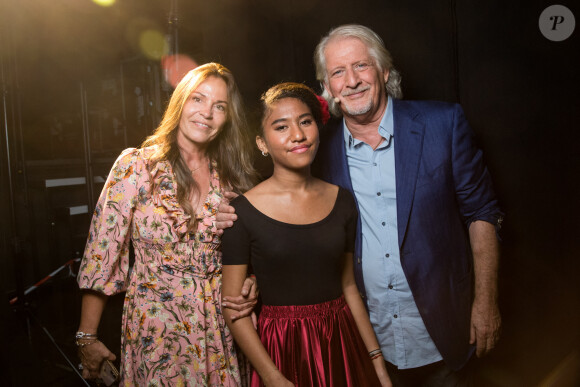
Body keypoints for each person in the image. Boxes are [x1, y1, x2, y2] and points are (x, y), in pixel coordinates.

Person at [220, 25, 504, 386]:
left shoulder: (442, 124)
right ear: (328, 88)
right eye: (338, 72)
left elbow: (481, 212)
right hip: (360, 341)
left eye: (361, 66)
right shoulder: (315, 150)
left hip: (446, 329)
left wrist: (486, 301)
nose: (351, 80)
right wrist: (249, 259)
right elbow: (291, 227)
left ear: (384, 72)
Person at [76, 62, 258, 386]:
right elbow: (101, 257)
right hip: (156, 334)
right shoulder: (136, 166)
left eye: (220, 106)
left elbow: (251, 253)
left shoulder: (233, 178)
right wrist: (87, 337)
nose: (207, 113)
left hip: (222, 331)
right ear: (180, 102)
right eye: (198, 99)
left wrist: (250, 281)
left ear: (228, 117)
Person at [220, 82, 392, 386]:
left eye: (305, 122)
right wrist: (272, 377)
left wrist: (375, 361)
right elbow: (233, 309)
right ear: (262, 143)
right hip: (281, 351)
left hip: (341, 343)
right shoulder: (241, 213)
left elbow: (349, 286)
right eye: (281, 127)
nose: (298, 135)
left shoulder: (342, 201)